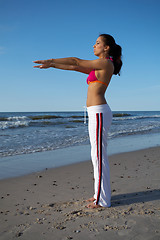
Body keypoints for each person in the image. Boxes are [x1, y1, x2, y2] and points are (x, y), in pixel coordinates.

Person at [33, 34, 122, 208]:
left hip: (99, 113)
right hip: (95, 113)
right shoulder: (99, 65)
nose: (93, 45)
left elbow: (76, 60)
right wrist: (53, 65)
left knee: (98, 156)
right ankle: (99, 194)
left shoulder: (105, 63)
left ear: (106, 48)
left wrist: (51, 60)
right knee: (96, 156)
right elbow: (74, 67)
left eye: (97, 43)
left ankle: (102, 200)